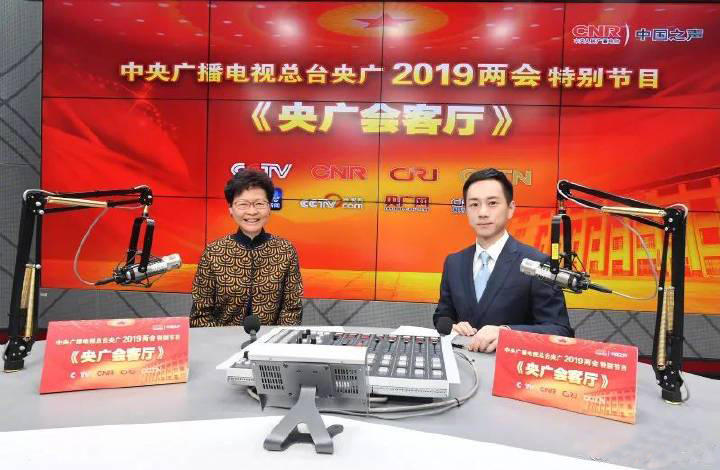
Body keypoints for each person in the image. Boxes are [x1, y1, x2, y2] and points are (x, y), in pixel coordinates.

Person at [433, 168, 573, 352]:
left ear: (510, 209)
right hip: (461, 364)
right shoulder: (454, 263)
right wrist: (453, 326)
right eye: (474, 204)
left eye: (492, 203)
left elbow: (560, 331)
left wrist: (507, 334)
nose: (482, 212)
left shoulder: (537, 263)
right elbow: (442, 316)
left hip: (512, 365)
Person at [190, 169, 302, 327]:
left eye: (259, 204)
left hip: (270, 340)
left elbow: (292, 310)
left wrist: (273, 340)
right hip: (220, 340)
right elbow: (201, 313)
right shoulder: (214, 252)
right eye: (243, 204)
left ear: (269, 207)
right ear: (231, 208)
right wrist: (219, 340)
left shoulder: (285, 250)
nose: (252, 211)